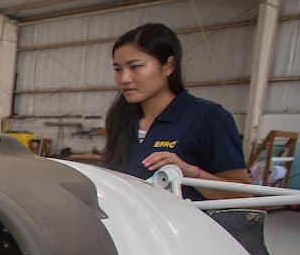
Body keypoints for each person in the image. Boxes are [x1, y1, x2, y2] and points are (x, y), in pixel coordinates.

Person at [102, 23, 250, 201]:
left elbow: (244, 195)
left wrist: (190, 173)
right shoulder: (121, 119)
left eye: (135, 67)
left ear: (168, 66)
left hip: (186, 227)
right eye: (118, 69)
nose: (124, 79)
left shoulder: (208, 117)